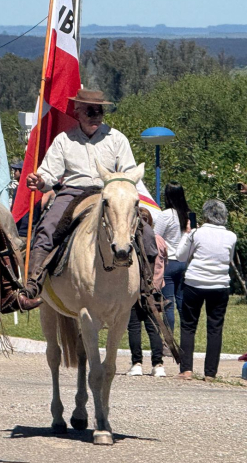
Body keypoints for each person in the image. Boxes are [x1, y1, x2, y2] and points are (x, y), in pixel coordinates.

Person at [9, 89, 157, 311]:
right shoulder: (64, 140)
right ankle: (32, 285)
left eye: (99, 111)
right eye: (89, 111)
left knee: (146, 232)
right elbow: (49, 174)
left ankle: (149, 289)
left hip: (108, 194)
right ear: (77, 112)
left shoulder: (117, 139)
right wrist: (39, 181)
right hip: (72, 193)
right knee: (47, 229)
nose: (95, 115)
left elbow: (128, 173)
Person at [176, 199, 237, 380]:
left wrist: (188, 234)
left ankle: (186, 369)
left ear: (205, 215)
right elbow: (229, 258)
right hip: (219, 284)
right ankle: (210, 373)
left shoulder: (196, 233)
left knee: (188, 326)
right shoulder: (231, 236)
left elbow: (180, 256)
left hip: (195, 282)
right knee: (215, 328)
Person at [128, 208, 167, 378]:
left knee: (134, 328)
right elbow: (165, 260)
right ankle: (158, 364)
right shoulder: (159, 240)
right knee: (154, 328)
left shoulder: (130, 241)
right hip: (155, 289)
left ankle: (137, 363)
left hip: (136, 290)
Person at [154, 181, 191, 332]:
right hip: (184, 262)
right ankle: (187, 338)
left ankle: (168, 342)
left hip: (169, 262)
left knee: (168, 304)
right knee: (182, 303)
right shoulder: (188, 215)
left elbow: (156, 237)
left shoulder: (165, 215)